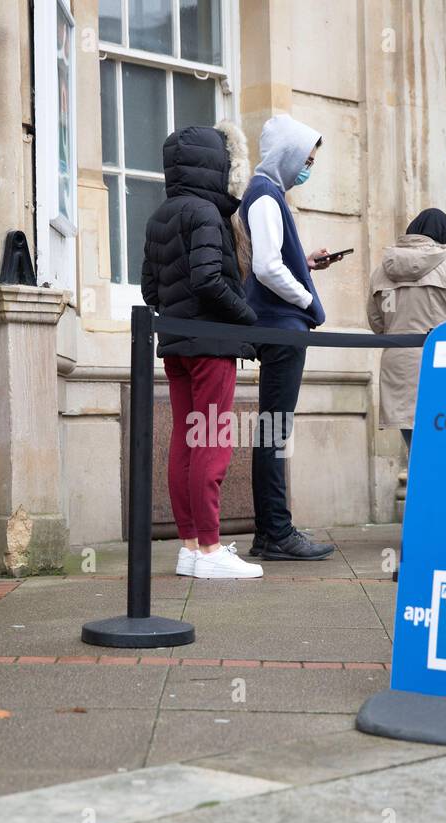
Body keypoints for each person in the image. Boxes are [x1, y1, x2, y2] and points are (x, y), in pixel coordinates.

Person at [141, 123, 264, 579]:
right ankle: (210, 550)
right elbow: (209, 280)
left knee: (185, 444)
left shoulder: (160, 215)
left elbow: (148, 288)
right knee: (211, 442)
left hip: (175, 345)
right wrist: (249, 320)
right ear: (214, 165)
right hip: (212, 345)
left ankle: (191, 546)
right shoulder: (207, 214)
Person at [240, 115, 340, 561]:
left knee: (272, 430)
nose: (308, 168)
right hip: (281, 328)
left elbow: (274, 260)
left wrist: (307, 262)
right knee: (275, 432)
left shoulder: (269, 195)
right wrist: (306, 300)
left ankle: (270, 533)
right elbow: (265, 267)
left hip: (278, 325)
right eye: (307, 160)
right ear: (289, 156)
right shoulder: (264, 195)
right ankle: (277, 532)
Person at [368, 209, 446, 449]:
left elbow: (376, 322)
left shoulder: (382, 269)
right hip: (443, 364)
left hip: (398, 367)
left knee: (417, 451)